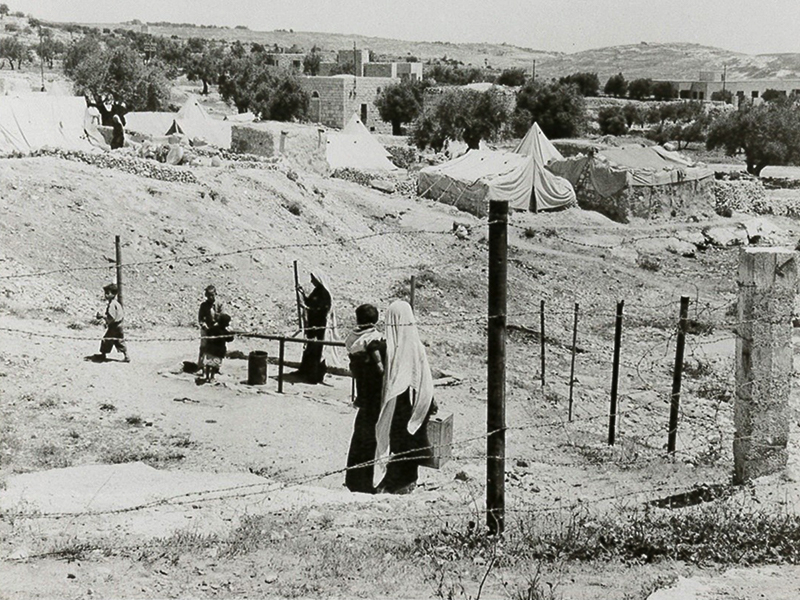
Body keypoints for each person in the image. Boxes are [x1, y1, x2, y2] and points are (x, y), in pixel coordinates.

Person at [373, 300, 437, 495]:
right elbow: (424, 378)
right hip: (417, 402)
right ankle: (407, 481)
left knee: (398, 444)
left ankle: (397, 483)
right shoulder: (416, 346)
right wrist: (430, 401)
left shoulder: (387, 348)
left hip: (398, 404)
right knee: (410, 443)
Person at [344, 304, 386, 494]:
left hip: (363, 394)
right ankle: (362, 484)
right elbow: (379, 368)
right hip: (376, 395)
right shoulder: (373, 339)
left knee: (361, 436)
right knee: (370, 439)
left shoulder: (353, 338)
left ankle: (354, 480)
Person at [296, 273, 334, 384]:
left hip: (319, 326)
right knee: (309, 348)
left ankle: (314, 376)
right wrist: (301, 293)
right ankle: (305, 371)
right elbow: (309, 302)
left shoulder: (324, 293)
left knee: (316, 350)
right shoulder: (317, 291)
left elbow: (321, 308)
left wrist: (310, 308)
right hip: (313, 325)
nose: (312, 281)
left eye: (313, 279)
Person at [95, 283, 129, 363]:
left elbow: (112, 317)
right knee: (119, 340)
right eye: (105, 293)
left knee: (106, 340)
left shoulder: (112, 305)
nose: (106, 295)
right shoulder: (117, 303)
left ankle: (103, 355)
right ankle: (126, 355)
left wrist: (102, 316)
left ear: (113, 294)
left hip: (114, 326)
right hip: (120, 325)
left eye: (107, 293)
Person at [197, 285, 223, 371]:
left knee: (218, 348)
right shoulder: (203, 306)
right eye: (209, 295)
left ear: (216, 294)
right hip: (206, 328)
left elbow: (223, 317)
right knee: (203, 347)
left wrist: (218, 324)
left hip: (217, 329)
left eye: (212, 295)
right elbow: (200, 318)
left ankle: (216, 367)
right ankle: (200, 365)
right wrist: (204, 325)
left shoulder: (220, 304)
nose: (211, 297)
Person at [203, 313, 234, 383]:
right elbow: (230, 339)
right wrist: (231, 333)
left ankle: (207, 377)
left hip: (210, 349)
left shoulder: (213, 328)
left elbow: (208, 333)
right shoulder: (224, 331)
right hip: (218, 351)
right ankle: (212, 377)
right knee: (214, 365)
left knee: (208, 363)